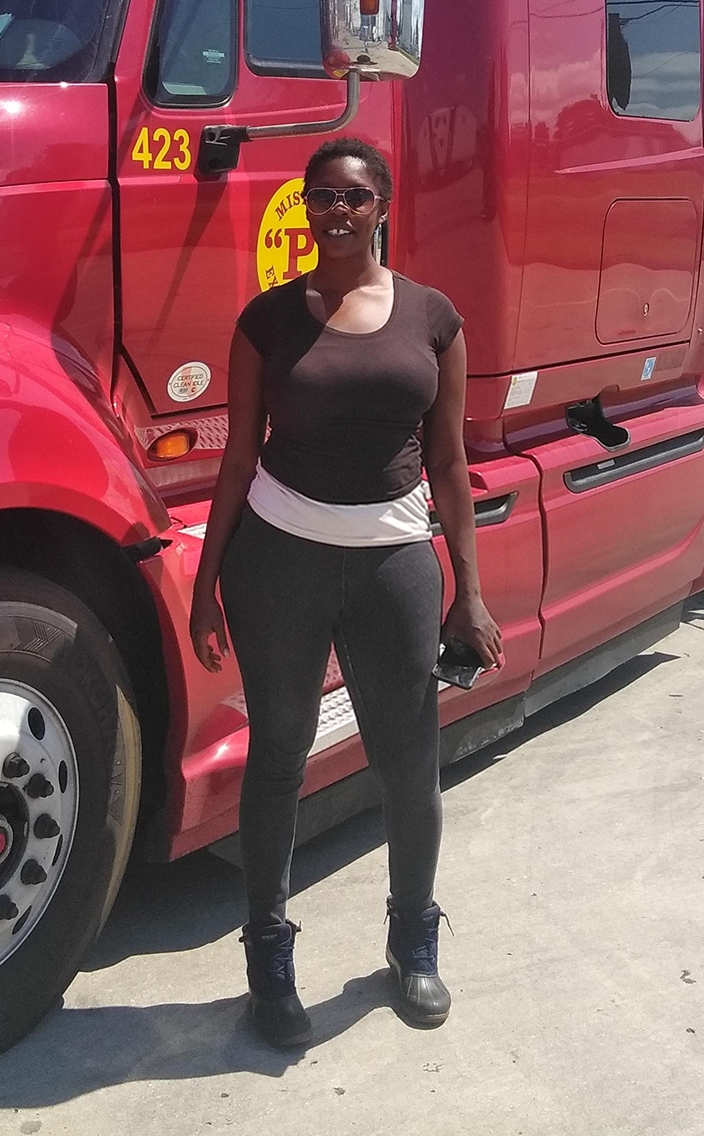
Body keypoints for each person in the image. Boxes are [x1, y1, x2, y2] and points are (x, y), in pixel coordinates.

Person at [188, 136, 504, 1047]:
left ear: (381, 208)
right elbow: (238, 454)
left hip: (394, 562)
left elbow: (448, 460)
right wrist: (209, 581)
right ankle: (269, 962)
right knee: (280, 754)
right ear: (307, 207)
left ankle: (413, 944)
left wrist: (468, 593)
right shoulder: (269, 319)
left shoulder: (433, 318)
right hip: (278, 562)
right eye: (321, 196)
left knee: (409, 764)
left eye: (353, 198)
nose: (336, 210)